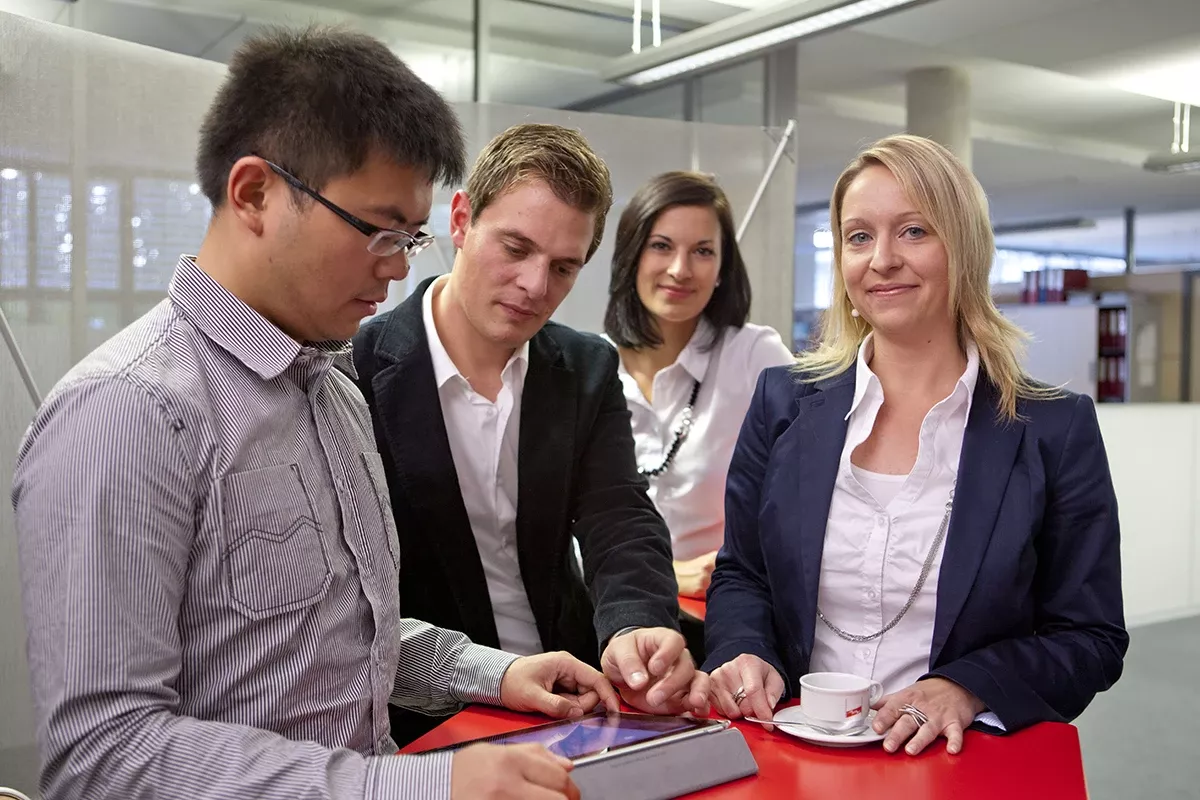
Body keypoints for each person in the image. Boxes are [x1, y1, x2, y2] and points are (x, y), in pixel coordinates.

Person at [12, 27, 620, 800]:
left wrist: (496, 672)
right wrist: (418, 788)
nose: (401, 268)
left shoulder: (333, 391)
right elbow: (104, 753)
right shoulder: (128, 413)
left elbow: (341, 636)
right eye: (379, 231)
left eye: (412, 236)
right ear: (255, 194)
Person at [703, 134, 1128, 757]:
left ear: (964, 247)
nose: (881, 260)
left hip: (955, 762)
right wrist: (744, 649)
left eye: (913, 231)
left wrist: (968, 687)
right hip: (794, 749)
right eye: (858, 237)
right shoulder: (782, 402)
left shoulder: (1053, 429)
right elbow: (743, 572)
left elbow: (1089, 636)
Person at [353, 124, 709, 745]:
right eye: (515, 248)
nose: (536, 286)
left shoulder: (585, 368)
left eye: (564, 266)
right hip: (427, 711)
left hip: (575, 690)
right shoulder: (354, 372)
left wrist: (634, 625)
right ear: (460, 221)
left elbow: (618, 516)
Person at [603, 171, 793, 604]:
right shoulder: (592, 366)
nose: (679, 269)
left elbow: (805, 495)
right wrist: (664, 574)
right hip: (606, 606)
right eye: (661, 246)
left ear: (723, 268)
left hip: (721, 609)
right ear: (632, 255)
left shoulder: (754, 356)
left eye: (702, 251)